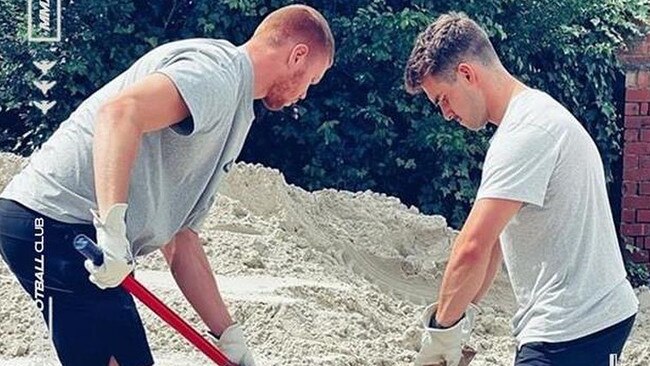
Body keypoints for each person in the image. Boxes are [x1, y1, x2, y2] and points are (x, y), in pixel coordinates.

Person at [0, 4, 334, 366]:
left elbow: (181, 240)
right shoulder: (216, 73)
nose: (304, 95)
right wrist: (112, 231)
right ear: (298, 56)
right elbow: (119, 114)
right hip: (51, 220)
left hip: (68, 228)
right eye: (311, 81)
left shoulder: (236, 112)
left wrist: (228, 337)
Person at [403, 12, 638, 366]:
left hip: (573, 327)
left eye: (442, 99)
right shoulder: (533, 117)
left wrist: (440, 337)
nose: (446, 114)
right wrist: (463, 315)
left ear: (467, 74)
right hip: (590, 317)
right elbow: (493, 246)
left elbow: (470, 248)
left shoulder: (525, 134)